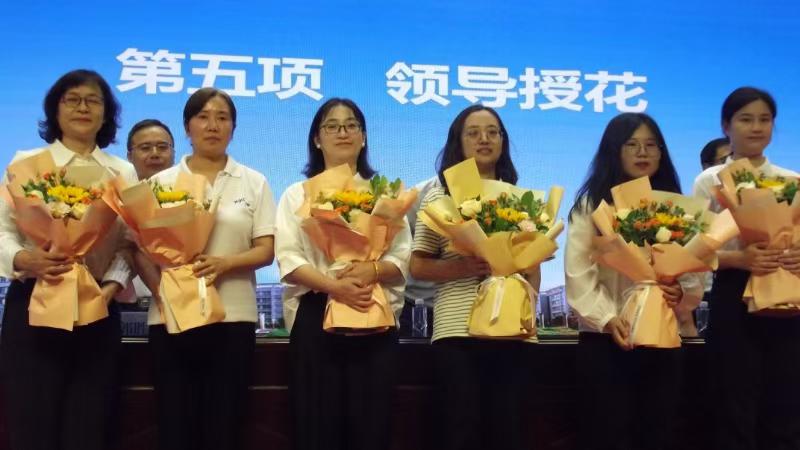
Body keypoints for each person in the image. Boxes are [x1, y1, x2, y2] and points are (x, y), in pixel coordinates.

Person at [0, 69, 137, 450]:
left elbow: (130, 242)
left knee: (89, 425)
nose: (83, 107)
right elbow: (2, 231)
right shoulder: (28, 163)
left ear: (106, 113)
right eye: (72, 99)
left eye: (93, 101)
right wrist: (25, 259)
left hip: (98, 306)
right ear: (55, 110)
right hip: (35, 303)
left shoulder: (121, 171)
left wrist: (110, 287)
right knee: (32, 424)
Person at [275, 97, 410, 450]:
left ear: (363, 137)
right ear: (317, 139)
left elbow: (403, 258)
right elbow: (288, 259)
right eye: (332, 126)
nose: (343, 132)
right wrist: (335, 287)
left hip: (372, 310)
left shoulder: (386, 194)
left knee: (372, 427)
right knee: (317, 426)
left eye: (351, 125)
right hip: (316, 313)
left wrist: (373, 269)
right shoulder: (296, 195)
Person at [146, 87, 277, 450]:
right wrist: (164, 291)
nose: (213, 125)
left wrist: (225, 263)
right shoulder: (160, 183)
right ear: (187, 127)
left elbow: (266, 250)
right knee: (175, 423)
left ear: (233, 128)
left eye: (222, 118)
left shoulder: (253, 181)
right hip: (171, 318)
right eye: (203, 117)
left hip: (233, 316)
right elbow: (140, 249)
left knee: (225, 424)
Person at [565, 112, 703, 450]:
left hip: (662, 336)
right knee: (607, 433)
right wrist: (607, 318)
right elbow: (578, 272)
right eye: (632, 144)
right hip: (606, 338)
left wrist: (680, 292)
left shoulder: (674, 206)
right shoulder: (592, 204)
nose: (643, 152)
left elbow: (694, 270)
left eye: (651, 145)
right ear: (614, 150)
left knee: (658, 430)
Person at [409, 104, 539, 450]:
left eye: (493, 132)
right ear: (458, 142)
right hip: (457, 332)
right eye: (474, 133)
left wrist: (527, 315)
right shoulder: (440, 196)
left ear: (502, 141)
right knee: (460, 430)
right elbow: (417, 266)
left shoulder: (518, 197)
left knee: (507, 430)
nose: (485, 139)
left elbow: (532, 267)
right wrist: (464, 267)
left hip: (511, 331)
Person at [693, 87, 800, 450]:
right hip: (732, 292)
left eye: (764, 120)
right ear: (726, 126)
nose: (756, 128)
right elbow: (694, 250)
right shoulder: (710, 181)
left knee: (784, 404)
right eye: (746, 119)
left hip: (785, 292)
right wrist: (739, 259)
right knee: (733, 405)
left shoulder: (790, 179)